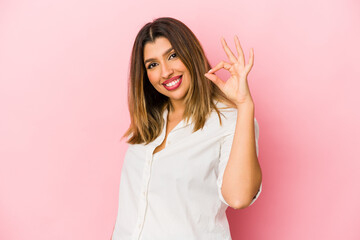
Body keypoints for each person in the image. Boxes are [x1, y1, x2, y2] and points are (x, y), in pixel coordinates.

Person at [111, 17, 262, 240]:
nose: (165, 72)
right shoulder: (149, 124)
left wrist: (245, 105)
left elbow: (239, 197)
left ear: (190, 54)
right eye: (152, 65)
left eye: (173, 55)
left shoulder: (229, 119)